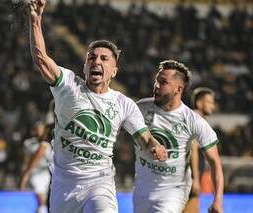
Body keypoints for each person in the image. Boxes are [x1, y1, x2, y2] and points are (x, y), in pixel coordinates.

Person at [27, 1, 167, 212]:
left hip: (99, 184)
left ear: (114, 71)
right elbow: (41, 59)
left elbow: (145, 138)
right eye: (91, 58)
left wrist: (155, 146)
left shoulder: (124, 104)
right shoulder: (69, 86)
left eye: (104, 58)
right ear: (85, 66)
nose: (96, 62)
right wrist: (35, 21)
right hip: (64, 186)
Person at [133, 60, 223, 213]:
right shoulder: (140, 108)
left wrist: (217, 201)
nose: (156, 85)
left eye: (163, 82)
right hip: (142, 189)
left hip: (174, 190)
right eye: (156, 81)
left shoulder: (193, 121)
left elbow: (215, 162)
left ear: (178, 89)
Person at [184, 87, 216, 213]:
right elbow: (193, 149)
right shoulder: (196, 118)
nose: (213, 106)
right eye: (210, 102)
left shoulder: (192, 117)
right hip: (189, 177)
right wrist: (195, 179)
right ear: (199, 103)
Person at [20, 121, 53, 213]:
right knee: (41, 198)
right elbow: (26, 159)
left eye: (42, 129)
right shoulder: (28, 143)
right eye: (38, 129)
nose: (40, 131)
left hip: (43, 173)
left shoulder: (47, 143)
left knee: (42, 198)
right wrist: (25, 172)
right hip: (33, 173)